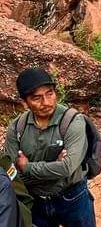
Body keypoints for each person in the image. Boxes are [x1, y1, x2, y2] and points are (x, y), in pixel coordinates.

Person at [4, 67, 96, 227]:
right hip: (35, 202)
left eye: (50, 94)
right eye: (36, 98)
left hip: (73, 197)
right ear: (24, 103)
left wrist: (27, 167)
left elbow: (67, 168)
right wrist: (55, 166)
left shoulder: (73, 121)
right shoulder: (17, 127)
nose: (46, 102)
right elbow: (12, 176)